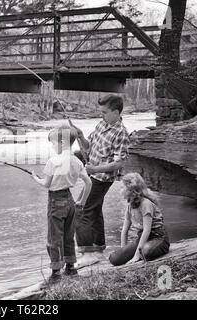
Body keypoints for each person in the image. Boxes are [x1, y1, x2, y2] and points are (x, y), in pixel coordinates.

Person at [70, 94, 130, 267]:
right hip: (92, 175)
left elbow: (118, 163)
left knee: (80, 210)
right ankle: (97, 249)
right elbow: (89, 147)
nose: (101, 115)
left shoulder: (121, 133)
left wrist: (94, 169)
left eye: (104, 112)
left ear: (116, 112)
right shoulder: (102, 124)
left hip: (102, 178)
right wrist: (81, 137)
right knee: (94, 211)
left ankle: (87, 253)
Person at [31, 125, 92, 282]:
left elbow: (46, 184)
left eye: (54, 143)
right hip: (70, 201)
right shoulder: (77, 161)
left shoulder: (53, 162)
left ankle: (56, 272)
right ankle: (71, 268)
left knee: (54, 237)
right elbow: (88, 183)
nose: (52, 146)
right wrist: (82, 202)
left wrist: (35, 178)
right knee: (68, 236)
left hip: (56, 201)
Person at [109, 173, 170, 266]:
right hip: (142, 238)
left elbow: (147, 230)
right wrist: (123, 251)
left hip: (158, 237)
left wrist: (136, 255)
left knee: (145, 253)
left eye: (122, 187)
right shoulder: (130, 206)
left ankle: (158, 248)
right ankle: (141, 250)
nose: (120, 190)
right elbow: (124, 230)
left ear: (131, 189)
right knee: (114, 258)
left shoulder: (145, 204)